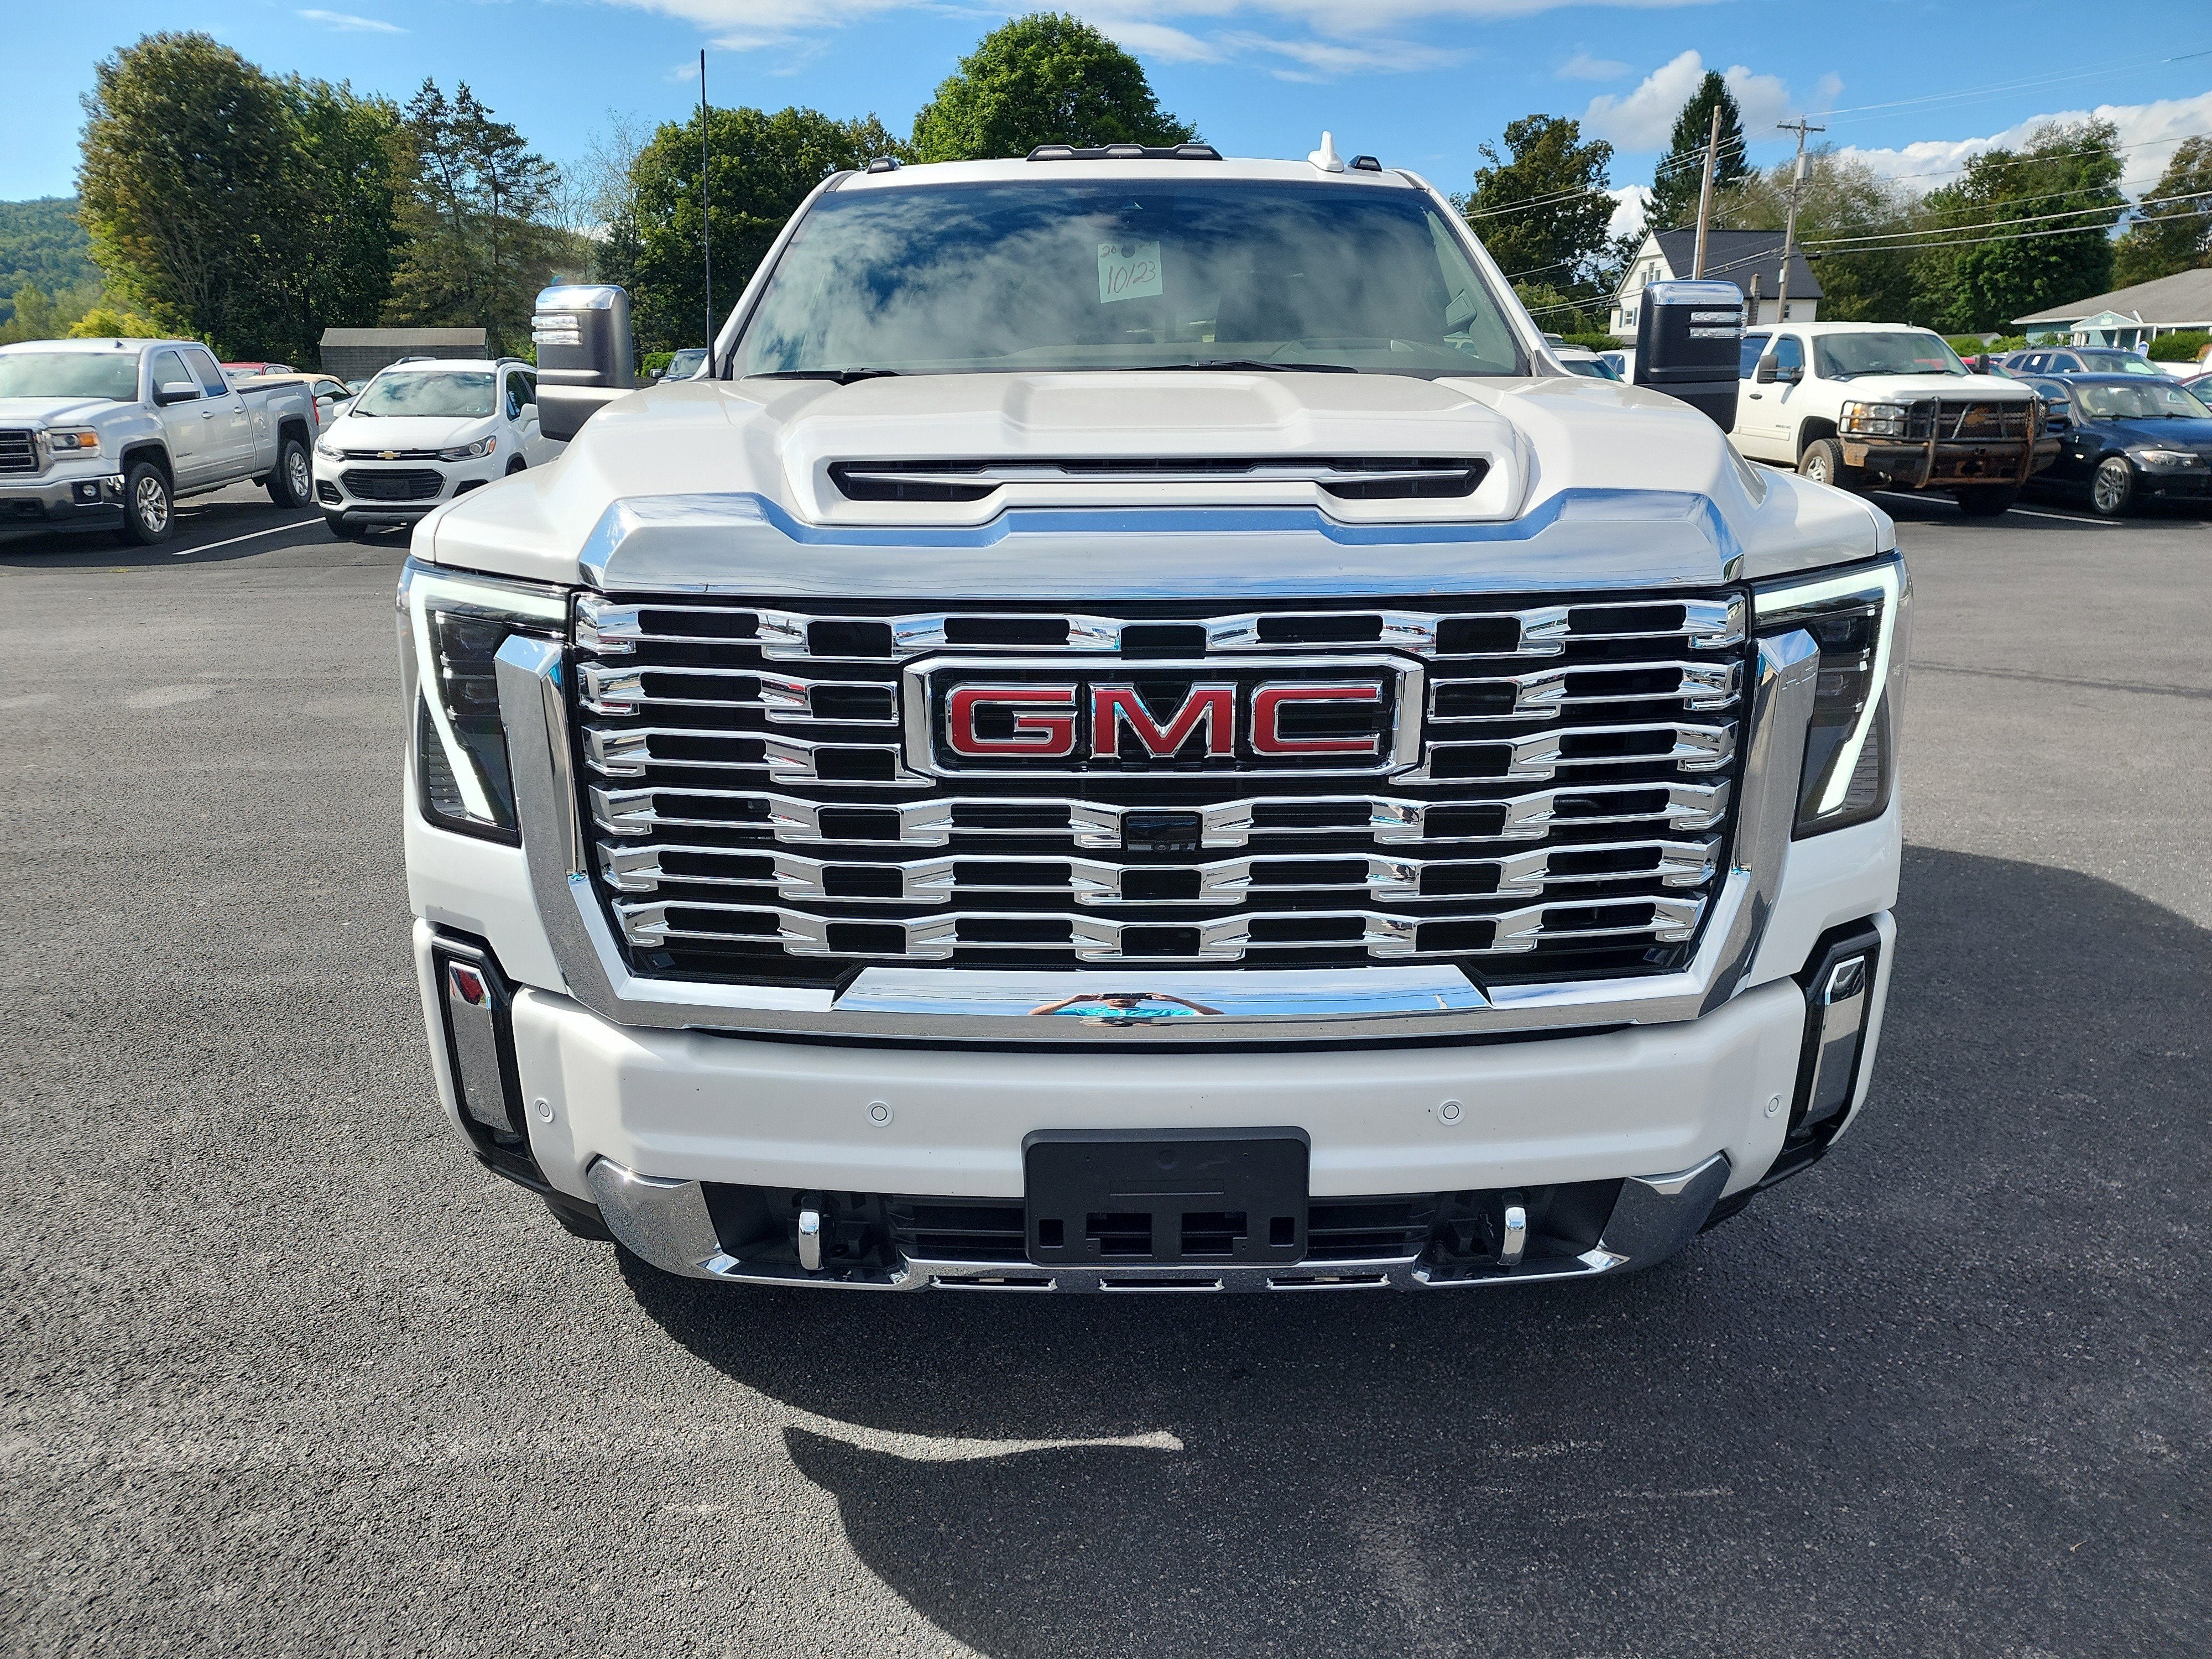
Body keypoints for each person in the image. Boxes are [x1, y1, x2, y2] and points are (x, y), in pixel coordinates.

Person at [1028, 991, 1223, 1020]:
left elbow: (1217, 1016)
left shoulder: (1166, 1011)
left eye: (1131, 996)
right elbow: (1035, 1015)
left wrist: (1180, 1001)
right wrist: (1072, 1000)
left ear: (1139, 1000)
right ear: (1101, 1000)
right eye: (1113, 995)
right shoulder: (1082, 1010)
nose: (1122, 998)